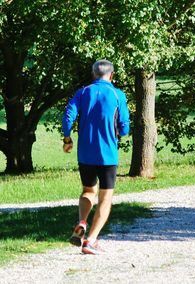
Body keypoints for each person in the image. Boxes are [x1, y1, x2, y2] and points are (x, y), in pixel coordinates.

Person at [62, 59, 130, 254]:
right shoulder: (118, 95)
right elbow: (124, 127)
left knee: (88, 191)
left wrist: (67, 138)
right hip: (108, 155)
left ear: (94, 74)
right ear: (111, 75)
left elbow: (68, 116)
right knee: (105, 197)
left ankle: (82, 221)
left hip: (85, 153)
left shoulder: (83, 92)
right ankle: (90, 240)